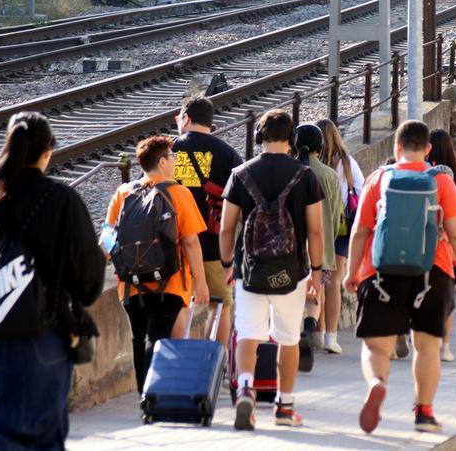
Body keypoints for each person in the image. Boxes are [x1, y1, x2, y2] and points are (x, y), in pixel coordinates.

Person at [0, 112, 106, 450]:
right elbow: (89, 283)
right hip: (47, 335)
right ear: (48, 152)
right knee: (43, 436)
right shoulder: (62, 200)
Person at [346, 121, 456, 435]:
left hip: (381, 271)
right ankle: (424, 411)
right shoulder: (441, 181)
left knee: (377, 347)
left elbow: (361, 231)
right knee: (427, 346)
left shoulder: (378, 179)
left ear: (396, 147)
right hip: (432, 272)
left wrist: (351, 273)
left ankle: (377, 383)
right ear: (428, 149)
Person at [220, 110, 324, 431]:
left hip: (250, 270)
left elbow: (226, 228)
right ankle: (285, 406)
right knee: (288, 339)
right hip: (291, 273)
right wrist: (317, 274)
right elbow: (316, 231)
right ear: (291, 140)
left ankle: (246, 389)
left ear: (259, 138)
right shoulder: (305, 176)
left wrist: (228, 264)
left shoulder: (240, 174)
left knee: (249, 334)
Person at [106, 135, 210, 392]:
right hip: (170, 283)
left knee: (138, 336)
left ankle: (144, 394)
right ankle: (154, 395)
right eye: (172, 157)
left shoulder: (123, 193)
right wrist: (201, 282)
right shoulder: (179, 193)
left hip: (131, 283)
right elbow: (190, 242)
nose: (175, 162)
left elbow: (108, 237)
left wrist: (113, 264)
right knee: (158, 336)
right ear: (162, 161)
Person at [172, 94, 242, 345]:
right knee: (220, 305)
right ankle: (215, 365)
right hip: (213, 244)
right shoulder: (227, 154)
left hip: (174, 241)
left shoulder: (172, 148)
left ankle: (178, 364)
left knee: (180, 304)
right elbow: (241, 198)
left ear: (186, 119)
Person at [315, 118, 364, 355]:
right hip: (342, 229)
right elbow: (361, 194)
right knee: (334, 281)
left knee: (316, 279)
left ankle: (317, 329)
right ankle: (330, 337)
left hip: (315, 227)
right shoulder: (347, 163)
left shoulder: (310, 164)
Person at [294, 123, 342, 367]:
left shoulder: (290, 171)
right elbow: (334, 217)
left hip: (290, 249)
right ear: (320, 147)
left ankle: (293, 333)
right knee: (315, 294)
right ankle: (310, 327)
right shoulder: (330, 176)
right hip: (320, 248)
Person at [426, 128, 456, 363]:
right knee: (447, 297)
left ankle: (413, 335)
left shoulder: (423, 175)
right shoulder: (452, 178)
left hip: (420, 244)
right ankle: (444, 345)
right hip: (447, 248)